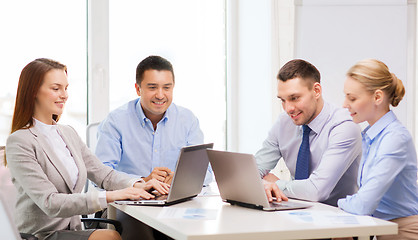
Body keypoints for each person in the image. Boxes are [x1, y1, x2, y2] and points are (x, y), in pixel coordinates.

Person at [5, 58, 170, 240]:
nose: (64, 95)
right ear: (33, 91)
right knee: (111, 237)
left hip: (73, 229)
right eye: (56, 88)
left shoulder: (67, 133)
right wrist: (112, 196)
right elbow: (49, 202)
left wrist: (139, 185)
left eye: (66, 88)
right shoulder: (20, 141)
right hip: (41, 235)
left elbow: (103, 175)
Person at [256, 59, 362, 206]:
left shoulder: (344, 128)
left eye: (294, 98)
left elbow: (316, 191)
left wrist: (276, 184)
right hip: (296, 212)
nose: (288, 109)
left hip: (338, 219)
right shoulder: (283, 123)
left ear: (316, 91)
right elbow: (255, 170)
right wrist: (261, 184)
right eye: (283, 100)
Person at [95, 55, 212, 185]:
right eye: (152, 88)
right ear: (138, 89)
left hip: (175, 202)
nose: (160, 95)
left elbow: (206, 172)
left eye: (166, 88)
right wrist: (142, 182)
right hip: (131, 201)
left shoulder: (188, 120)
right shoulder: (115, 122)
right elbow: (100, 175)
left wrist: (180, 179)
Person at [337, 59, 418, 239]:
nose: (344, 104)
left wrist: (338, 202)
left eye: (352, 98)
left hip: (403, 230)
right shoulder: (371, 136)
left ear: (377, 97)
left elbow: (363, 205)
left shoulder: (395, 138)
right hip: (382, 227)